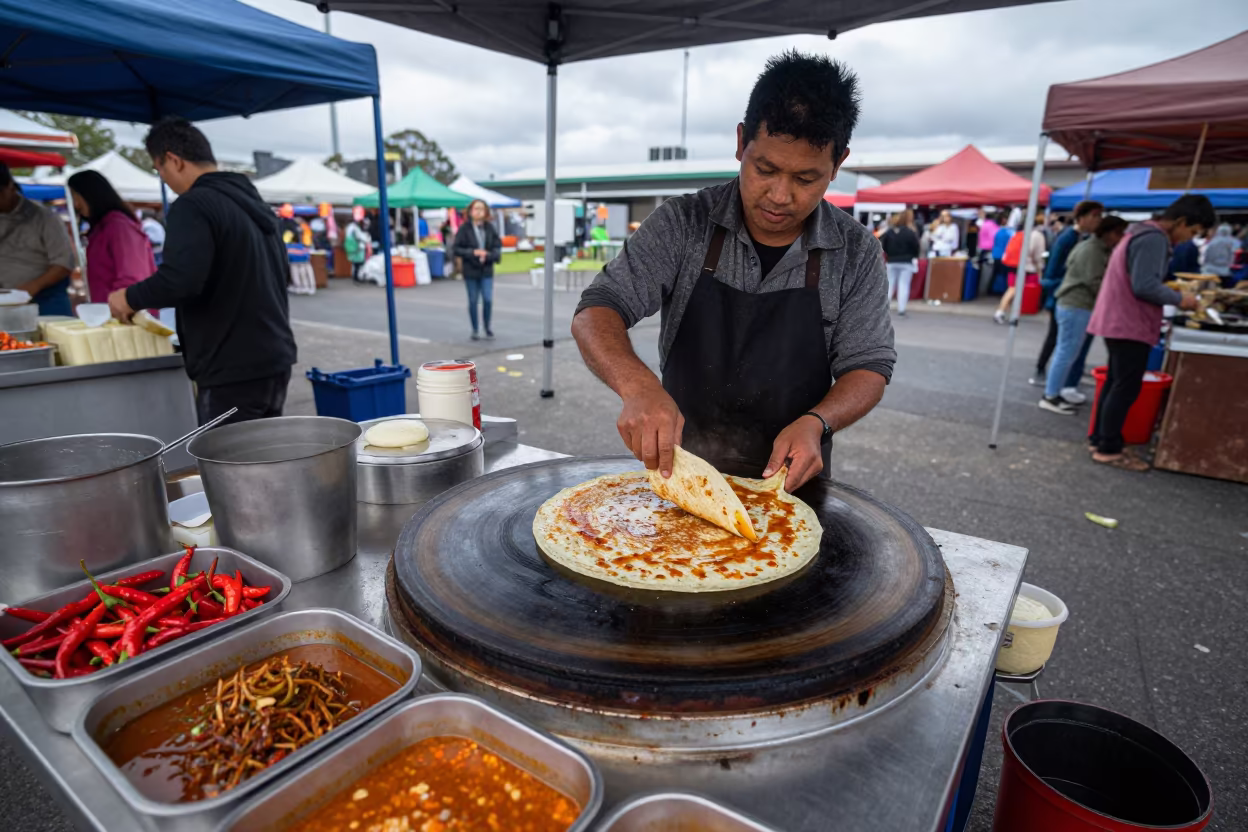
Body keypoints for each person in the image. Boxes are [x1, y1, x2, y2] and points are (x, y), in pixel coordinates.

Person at [571, 50, 895, 490]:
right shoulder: (683, 223)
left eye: (805, 179)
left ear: (837, 165)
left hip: (788, 487)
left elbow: (869, 365)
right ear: (742, 142)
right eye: (765, 169)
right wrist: (638, 386)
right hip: (681, 477)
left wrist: (818, 422)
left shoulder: (855, 252)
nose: (780, 196)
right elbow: (598, 309)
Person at [107, 117, 296, 426]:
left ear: (174, 160)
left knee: (229, 467)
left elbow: (181, 280)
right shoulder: (251, 201)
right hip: (274, 358)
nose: (165, 180)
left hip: (230, 367)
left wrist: (129, 297)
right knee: (266, 461)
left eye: (160, 170)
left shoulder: (193, 205)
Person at [1087, 195, 1212, 471]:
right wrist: (1182, 300)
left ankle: (1101, 440)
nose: (1188, 239)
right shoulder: (1154, 238)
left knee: (1116, 382)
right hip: (1129, 322)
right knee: (1125, 386)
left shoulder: (1139, 231)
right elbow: (1144, 286)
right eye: (1191, 232)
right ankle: (1108, 448)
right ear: (1180, 221)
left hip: (1117, 319)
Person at [1038, 215, 1127, 415]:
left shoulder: (1090, 246)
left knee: (1068, 350)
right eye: (1118, 233)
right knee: (1066, 351)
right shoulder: (1092, 250)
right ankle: (1051, 395)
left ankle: (1054, 392)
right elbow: (1094, 282)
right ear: (1108, 232)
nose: (1120, 238)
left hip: (1074, 304)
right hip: (1076, 304)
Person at [1031, 200, 1103, 387]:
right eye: (1094, 216)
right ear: (1081, 217)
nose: (1098, 220)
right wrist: (1063, 286)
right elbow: (1052, 271)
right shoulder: (1068, 237)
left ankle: (1057, 375)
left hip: (1065, 294)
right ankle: (1041, 371)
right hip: (1062, 295)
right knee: (1057, 339)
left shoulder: (1082, 238)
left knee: (1064, 341)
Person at [67, 170, 157, 303]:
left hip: (124, 314)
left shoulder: (118, 226)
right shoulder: (102, 227)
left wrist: (118, 307)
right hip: (110, 312)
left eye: (76, 197)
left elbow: (132, 276)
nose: (76, 205)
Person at [0, 161, 75, 315]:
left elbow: (64, 263)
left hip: (46, 301)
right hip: (6, 304)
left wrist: (30, 288)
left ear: (10, 186)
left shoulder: (45, 217)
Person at [453, 198, 502, 340]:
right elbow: (456, 248)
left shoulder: (490, 228)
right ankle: (475, 328)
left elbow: (497, 247)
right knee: (473, 300)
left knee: (487, 299)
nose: (479, 211)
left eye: (482, 209)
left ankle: (487, 326)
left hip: (486, 269)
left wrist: (489, 255)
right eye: (476, 208)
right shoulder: (465, 228)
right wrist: (473, 252)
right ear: (470, 211)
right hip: (471, 270)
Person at [993, 220, 1046, 324]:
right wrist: (1040, 268)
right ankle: (1003, 312)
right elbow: (1038, 255)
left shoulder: (1017, 234)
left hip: (1012, 265)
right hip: (1027, 268)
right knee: (1017, 290)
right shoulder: (1036, 236)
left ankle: (1002, 311)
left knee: (1012, 289)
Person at [880, 210, 920, 317]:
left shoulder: (889, 232)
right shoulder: (910, 232)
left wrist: (890, 255)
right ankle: (901, 308)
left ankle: (884, 307)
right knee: (904, 285)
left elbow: (884, 246)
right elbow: (916, 246)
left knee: (890, 284)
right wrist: (913, 255)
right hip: (906, 261)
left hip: (892, 261)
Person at [989, 212, 1013, 293]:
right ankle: (1002, 290)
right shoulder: (1008, 233)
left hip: (996, 254)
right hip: (1003, 255)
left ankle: (991, 289)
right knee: (1004, 274)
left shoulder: (996, 231)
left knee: (995, 273)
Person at [344, 211, 371, 282]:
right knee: (358, 263)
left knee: (355, 263)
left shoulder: (350, 227)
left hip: (354, 247)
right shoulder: (355, 228)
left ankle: (356, 276)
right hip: (357, 247)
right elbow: (359, 237)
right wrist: (365, 240)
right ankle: (357, 277)